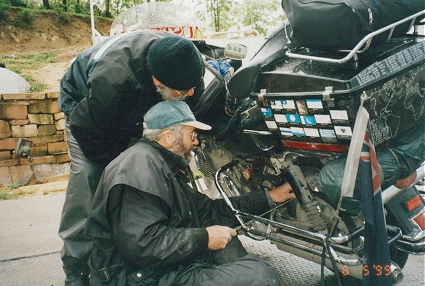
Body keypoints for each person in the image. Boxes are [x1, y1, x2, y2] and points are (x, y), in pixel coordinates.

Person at [84, 101, 296, 285]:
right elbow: (143, 246)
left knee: (228, 244)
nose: (196, 141)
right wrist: (204, 238)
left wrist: (270, 197)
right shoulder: (138, 171)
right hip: (137, 277)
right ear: (168, 136)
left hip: (156, 265)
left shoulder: (159, 164)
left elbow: (209, 211)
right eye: (192, 134)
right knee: (259, 276)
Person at [57, 30, 205, 285]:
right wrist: (123, 177)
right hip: (87, 117)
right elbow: (92, 136)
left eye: (193, 86)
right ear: (157, 80)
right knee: (92, 181)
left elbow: (196, 101)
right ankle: (77, 270)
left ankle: (161, 245)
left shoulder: (184, 61)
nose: (191, 93)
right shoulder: (113, 83)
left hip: (134, 109)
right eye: (184, 89)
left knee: (157, 166)